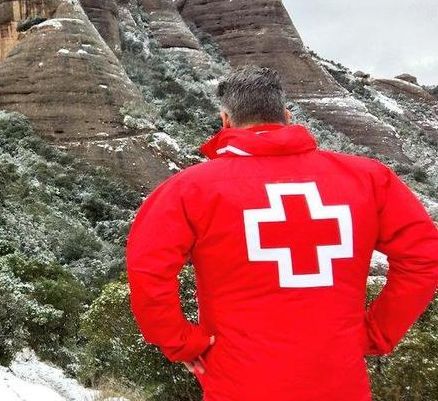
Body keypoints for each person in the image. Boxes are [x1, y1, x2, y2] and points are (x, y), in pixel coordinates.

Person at [126, 67, 438, 400]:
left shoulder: (189, 189)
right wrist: (377, 332)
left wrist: (182, 342)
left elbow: (148, 268)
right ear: (287, 116)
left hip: (239, 382)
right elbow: (424, 256)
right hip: (341, 381)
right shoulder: (370, 179)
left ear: (226, 121)